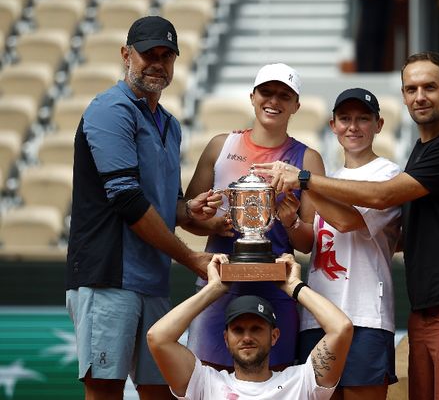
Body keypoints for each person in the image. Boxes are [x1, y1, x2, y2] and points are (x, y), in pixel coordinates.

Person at [255, 51, 439, 400]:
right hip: (425, 302)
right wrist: (293, 217)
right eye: (411, 88)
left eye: (429, 87)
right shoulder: (421, 151)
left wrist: (306, 179)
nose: (419, 96)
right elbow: (395, 232)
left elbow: (381, 198)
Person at [65, 16, 222, 400]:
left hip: (152, 279)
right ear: (125, 54)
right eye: (148, 53)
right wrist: (191, 259)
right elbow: (127, 200)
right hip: (108, 275)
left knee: (161, 390)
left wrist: (188, 211)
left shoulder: (169, 123)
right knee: (105, 390)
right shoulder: (109, 110)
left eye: (166, 55)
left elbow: (165, 203)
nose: (157, 62)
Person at [181, 63, 325, 371]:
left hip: (277, 289)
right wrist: (213, 221)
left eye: (284, 96)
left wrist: (290, 222)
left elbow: (309, 242)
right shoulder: (221, 146)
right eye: (267, 92)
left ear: (296, 105)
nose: (274, 101)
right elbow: (186, 214)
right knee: (206, 379)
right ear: (252, 96)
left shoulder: (308, 159)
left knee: (276, 382)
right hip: (218, 285)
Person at [291, 88, 401, 399]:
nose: (353, 126)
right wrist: (287, 219)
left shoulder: (388, 173)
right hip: (317, 314)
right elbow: (308, 243)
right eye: (345, 119)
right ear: (333, 125)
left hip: (364, 313)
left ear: (379, 125)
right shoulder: (327, 179)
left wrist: (303, 182)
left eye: (363, 119)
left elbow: (347, 221)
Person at [146, 253, 354, 399]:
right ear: (226, 338)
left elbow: (341, 328)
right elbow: (158, 337)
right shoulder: (205, 383)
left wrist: (293, 286)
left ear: (274, 336)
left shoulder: (301, 381)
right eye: (238, 330)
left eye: (256, 328)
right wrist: (214, 288)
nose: (247, 337)